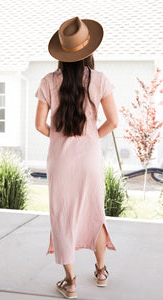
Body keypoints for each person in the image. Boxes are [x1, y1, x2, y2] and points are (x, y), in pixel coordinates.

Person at [35, 16, 119, 299]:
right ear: (88, 49)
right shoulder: (99, 80)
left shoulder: (48, 81)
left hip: (60, 162)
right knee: (95, 212)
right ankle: (100, 271)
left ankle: (70, 283)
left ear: (61, 53)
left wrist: (59, 138)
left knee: (63, 216)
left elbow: (39, 125)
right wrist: (91, 137)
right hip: (89, 161)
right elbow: (113, 121)